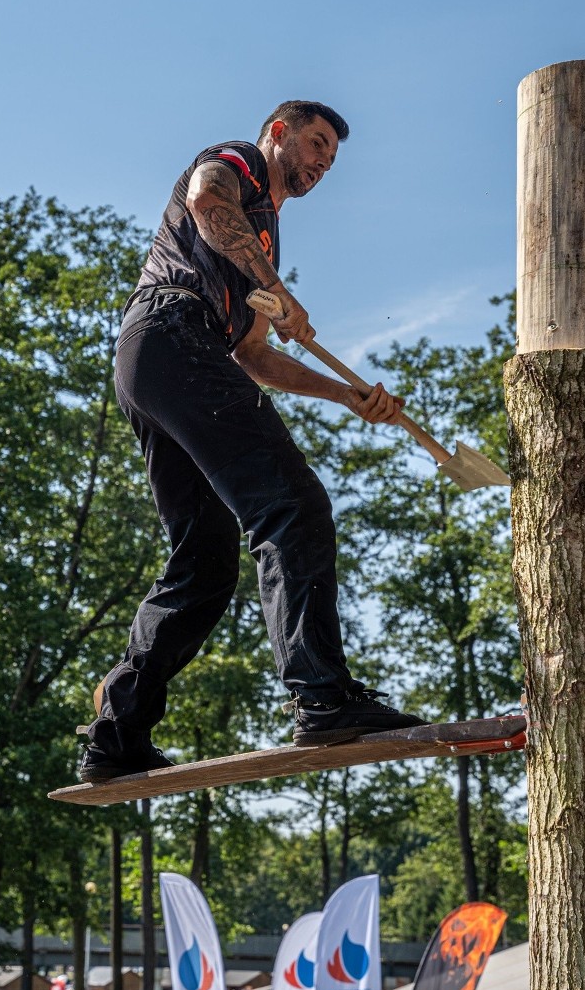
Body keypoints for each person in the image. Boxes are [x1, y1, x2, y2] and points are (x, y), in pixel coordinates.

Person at [80, 100, 424, 782]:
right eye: (316, 143)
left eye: (331, 156)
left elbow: (255, 356)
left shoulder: (263, 239)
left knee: (204, 566)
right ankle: (323, 697)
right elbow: (207, 201)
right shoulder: (234, 164)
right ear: (278, 134)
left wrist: (348, 397)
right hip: (171, 335)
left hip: (164, 360)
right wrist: (275, 286)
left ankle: (115, 736)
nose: (323, 161)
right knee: (292, 506)